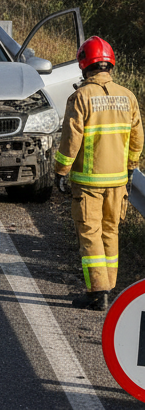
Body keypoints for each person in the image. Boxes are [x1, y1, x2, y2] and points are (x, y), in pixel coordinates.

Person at [55, 36, 143, 311]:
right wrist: (130, 167)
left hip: (88, 183)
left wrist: (61, 170)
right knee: (110, 232)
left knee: (90, 234)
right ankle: (109, 287)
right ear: (110, 64)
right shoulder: (128, 96)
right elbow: (137, 139)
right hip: (118, 182)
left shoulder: (80, 97)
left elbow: (71, 140)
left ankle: (98, 291)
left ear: (84, 65)